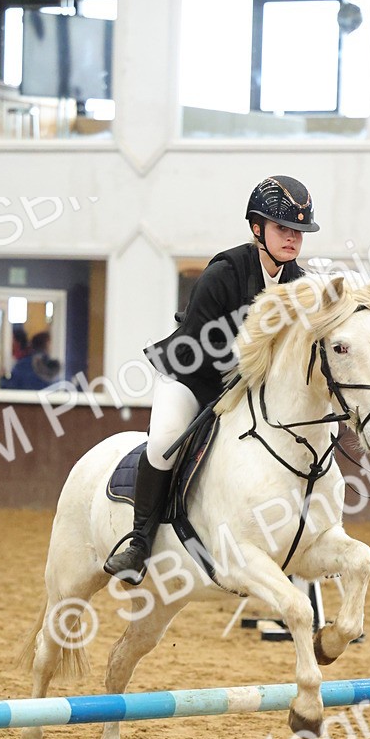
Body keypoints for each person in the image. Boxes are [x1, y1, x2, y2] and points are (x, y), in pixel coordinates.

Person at [104, 174, 320, 583]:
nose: (292, 238)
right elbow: (197, 345)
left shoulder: (299, 284)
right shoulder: (224, 272)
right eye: (282, 228)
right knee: (167, 441)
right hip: (191, 375)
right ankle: (139, 543)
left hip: (245, 386)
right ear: (257, 228)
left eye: (299, 231)